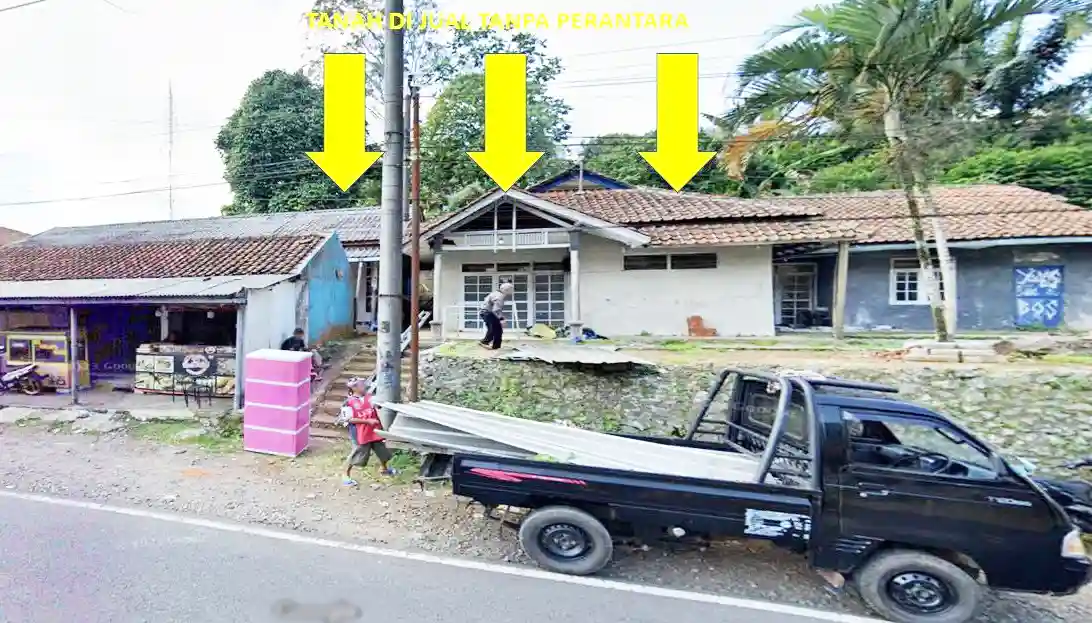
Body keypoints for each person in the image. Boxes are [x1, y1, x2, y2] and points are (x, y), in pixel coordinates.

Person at [338, 378, 398, 486]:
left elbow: (377, 406)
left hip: (374, 429)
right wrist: (367, 421)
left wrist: (379, 405)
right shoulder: (348, 402)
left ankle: (384, 469)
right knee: (358, 452)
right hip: (359, 431)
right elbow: (349, 419)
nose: (364, 386)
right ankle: (345, 474)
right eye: (361, 385)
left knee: (382, 449)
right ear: (354, 388)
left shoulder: (369, 397)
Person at [479, 282, 514, 350]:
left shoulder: (495, 293)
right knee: (498, 329)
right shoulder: (499, 296)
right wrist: (501, 319)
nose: (512, 291)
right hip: (488, 312)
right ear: (506, 290)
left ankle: (486, 342)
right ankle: (494, 345)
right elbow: (496, 309)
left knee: (493, 328)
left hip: (485, 312)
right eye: (511, 289)